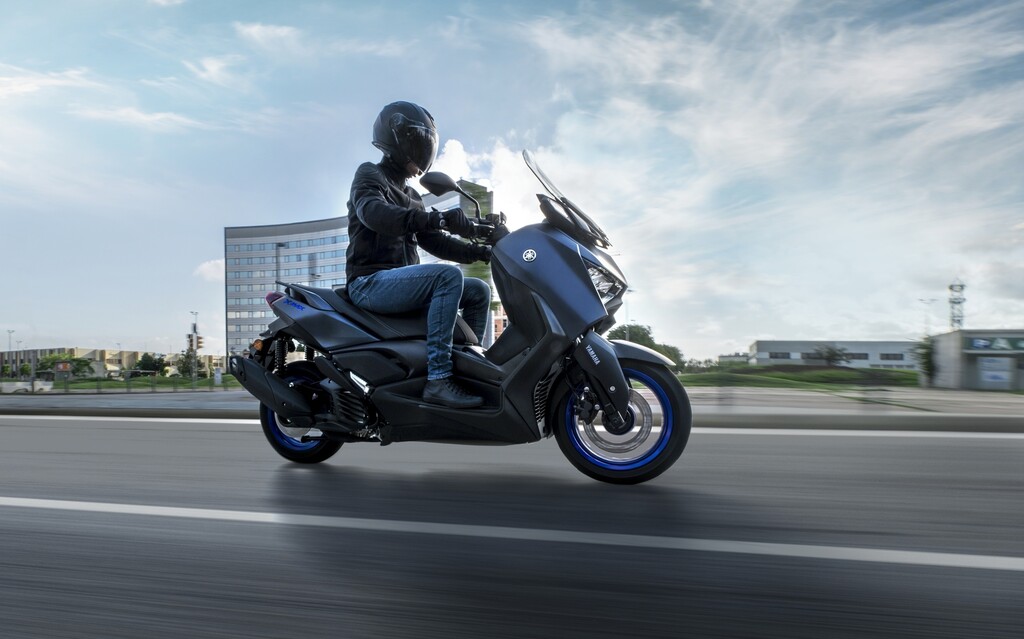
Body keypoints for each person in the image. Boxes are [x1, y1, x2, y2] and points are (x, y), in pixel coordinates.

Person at [344, 101, 491, 409]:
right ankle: (439, 379)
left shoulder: (413, 196)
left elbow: (435, 242)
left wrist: (481, 252)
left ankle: (469, 367)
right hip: (369, 282)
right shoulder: (370, 174)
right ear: (394, 138)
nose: (422, 151)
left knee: (478, 290)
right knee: (447, 277)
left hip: (399, 285)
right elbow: (374, 213)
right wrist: (437, 219)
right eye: (417, 142)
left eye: (426, 144)